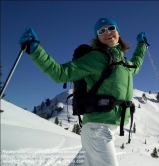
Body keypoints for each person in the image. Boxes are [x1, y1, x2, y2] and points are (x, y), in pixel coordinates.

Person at [19, 17, 149, 166]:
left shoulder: (125, 64)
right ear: (98, 38)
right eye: (101, 31)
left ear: (118, 32)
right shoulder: (96, 58)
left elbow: (137, 65)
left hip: (107, 129)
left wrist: (142, 45)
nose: (107, 32)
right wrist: (36, 52)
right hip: (97, 129)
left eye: (111, 28)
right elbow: (61, 73)